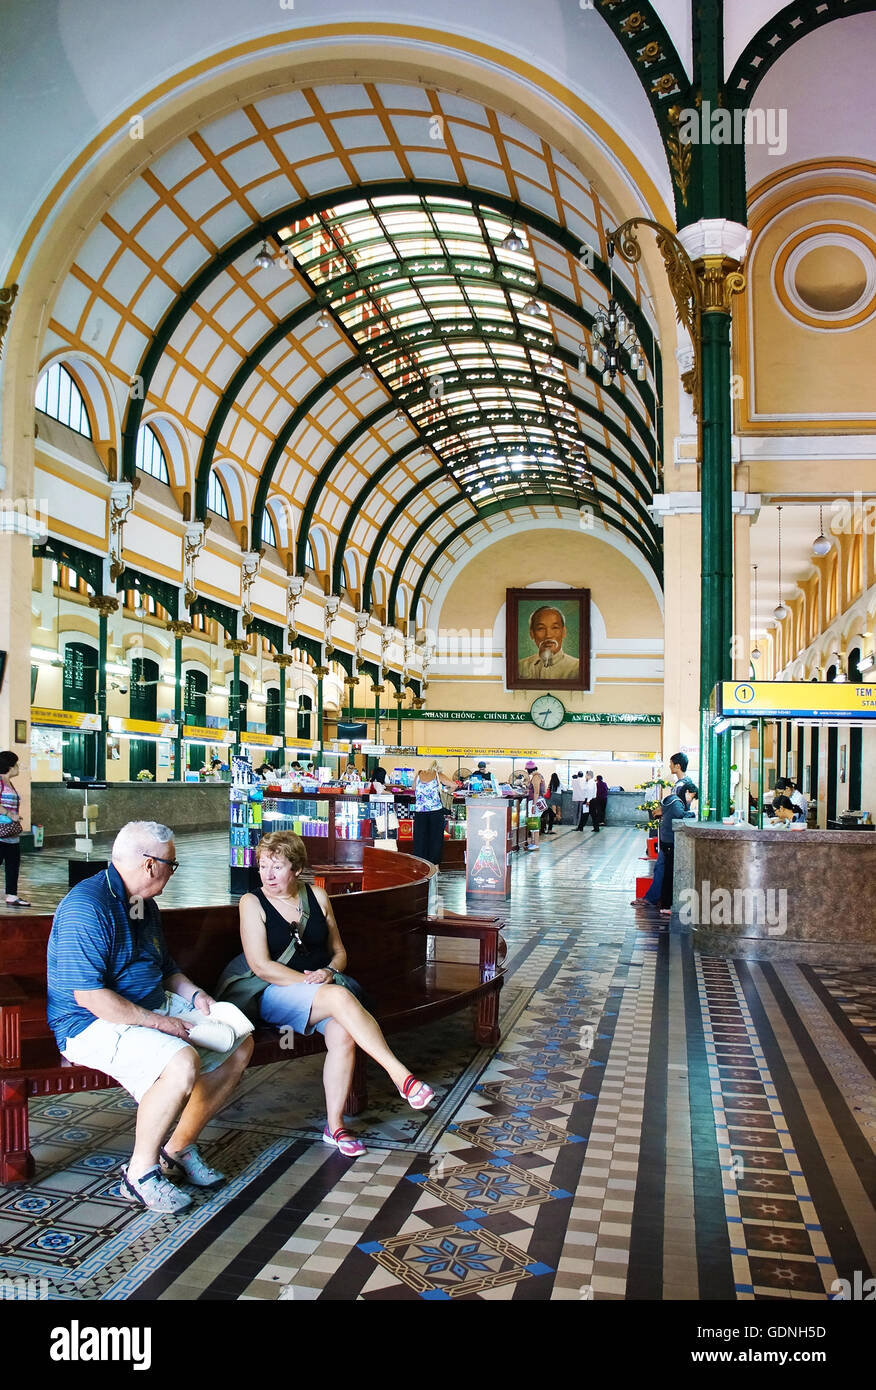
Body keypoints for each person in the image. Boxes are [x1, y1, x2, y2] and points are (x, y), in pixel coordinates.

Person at [46, 821, 254, 1213]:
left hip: (150, 1004)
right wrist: (165, 1024)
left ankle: (177, 1149)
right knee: (181, 1061)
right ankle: (139, 1175)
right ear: (148, 864)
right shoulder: (86, 906)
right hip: (89, 1023)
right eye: (171, 864)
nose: (172, 872)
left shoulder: (145, 904)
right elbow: (91, 997)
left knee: (240, 1042)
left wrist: (196, 996)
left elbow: (165, 968)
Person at [217, 832, 433, 1157]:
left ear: (296, 868)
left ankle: (335, 1126)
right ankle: (401, 1076)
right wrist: (314, 984)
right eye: (263, 866)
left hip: (320, 991)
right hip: (274, 992)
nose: (268, 874)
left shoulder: (316, 897)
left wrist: (329, 972)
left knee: (343, 1033)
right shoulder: (252, 902)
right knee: (340, 999)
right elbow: (261, 967)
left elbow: (339, 953)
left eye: (277, 866)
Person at [634, 753, 689, 909]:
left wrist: (662, 811)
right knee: (660, 866)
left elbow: (678, 810)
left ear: (678, 765)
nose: (670, 766)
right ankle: (654, 897)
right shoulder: (679, 784)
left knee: (663, 867)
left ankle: (660, 900)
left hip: (671, 834)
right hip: (669, 833)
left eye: (671, 764)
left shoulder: (681, 785)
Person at [659, 778, 699, 917]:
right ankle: (665, 905)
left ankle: (665, 904)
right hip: (670, 841)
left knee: (668, 873)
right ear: (687, 792)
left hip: (666, 840)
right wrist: (694, 813)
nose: (690, 800)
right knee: (669, 874)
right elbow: (681, 816)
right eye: (691, 796)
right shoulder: (676, 803)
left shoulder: (675, 800)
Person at [517, 605, 580, 681]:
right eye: (541, 628)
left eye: (555, 628)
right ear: (532, 634)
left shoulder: (577, 667)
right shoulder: (520, 667)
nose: (548, 635)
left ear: (564, 632)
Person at [0, 751, 30, 906]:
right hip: (1, 831)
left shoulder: (9, 783)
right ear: (10, 766)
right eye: (16, 764)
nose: (18, 767)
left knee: (13, 863)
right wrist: (9, 814)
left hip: (11, 832)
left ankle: (12, 895)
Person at [412, 761, 455, 864]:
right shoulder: (438, 775)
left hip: (420, 812)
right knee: (435, 840)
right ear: (438, 768)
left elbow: (413, 788)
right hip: (435, 812)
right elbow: (453, 785)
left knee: (420, 839)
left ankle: (421, 866)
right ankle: (434, 866)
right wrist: (445, 792)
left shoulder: (419, 774)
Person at [368, 766, 399, 850]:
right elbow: (381, 792)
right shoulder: (377, 783)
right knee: (383, 833)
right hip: (380, 813)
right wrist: (390, 793)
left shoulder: (371, 782)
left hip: (374, 811)